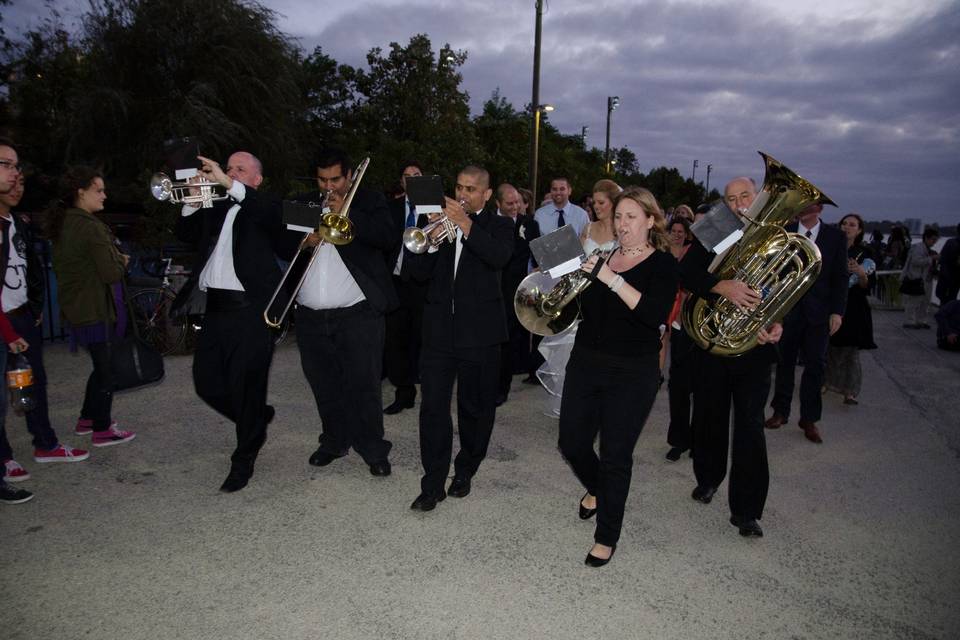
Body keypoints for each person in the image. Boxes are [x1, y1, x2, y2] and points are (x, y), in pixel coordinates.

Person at [558, 186, 678, 566]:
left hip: (633, 370)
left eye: (631, 217)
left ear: (650, 221)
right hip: (586, 361)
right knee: (571, 442)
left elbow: (652, 315)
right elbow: (580, 310)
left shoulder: (663, 265)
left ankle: (606, 535)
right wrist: (565, 280)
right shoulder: (603, 256)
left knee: (616, 455)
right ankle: (597, 488)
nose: (623, 225)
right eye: (619, 217)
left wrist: (610, 278)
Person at [405, 165, 513, 512]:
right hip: (439, 330)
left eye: (470, 189)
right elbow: (414, 274)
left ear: (486, 193)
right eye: (459, 187)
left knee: (475, 408)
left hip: (479, 332)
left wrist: (465, 226)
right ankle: (432, 483)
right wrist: (431, 242)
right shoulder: (438, 224)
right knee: (433, 407)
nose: (463, 195)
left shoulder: (500, 225)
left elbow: (498, 258)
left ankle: (466, 468)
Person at [681, 176, 784, 538]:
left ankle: (747, 511)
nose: (739, 203)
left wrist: (776, 323)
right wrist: (721, 285)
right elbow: (686, 272)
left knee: (750, 427)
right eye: (731, 198)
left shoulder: (777, 233)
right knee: (709, 414)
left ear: (759, 197)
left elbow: (792, 287)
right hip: (712, 342)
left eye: (745, 196)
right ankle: (708, 478)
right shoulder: (717, 225)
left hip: (754, 348)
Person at [174, 151, 282, 492]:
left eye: (240, 169)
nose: (230, 172)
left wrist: (226, 182)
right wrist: (192, 200)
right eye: (229, 167)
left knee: (246, 385)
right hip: (216, 309)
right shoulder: (216, 208)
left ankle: (243, 458)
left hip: (250, 310)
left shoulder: (266, 206)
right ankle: (255, 421)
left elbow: (268, 214)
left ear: (256, 179)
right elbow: (186, 235)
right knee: (206, 382)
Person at [292, 149, 397, 476]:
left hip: (357, 311)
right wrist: (302, 241)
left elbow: (387, 237)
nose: (328, 186)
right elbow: (283, 246)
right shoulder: (306, 202)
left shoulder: (370, 199)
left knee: (364, 383)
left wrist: (351, 217)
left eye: (335, 179)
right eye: (322, 180)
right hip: (309, 313)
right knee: (323, 382)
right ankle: (334, 441)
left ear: (349, 175)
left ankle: (373, 448)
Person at [0, 148, 88, 484]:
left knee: (33, 382)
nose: (17, 181)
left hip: (23, 317)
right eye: (8, 170)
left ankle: (45, 443)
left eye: (19, 173)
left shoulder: (18, 225)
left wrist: (35, 310)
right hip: (3, 321)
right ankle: (4, 457)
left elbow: (31, 271)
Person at [48, 167, 136, 449]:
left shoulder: (66, 224)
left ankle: (87, 418)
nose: (104, 196)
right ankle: (102, 428)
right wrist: (122, 261)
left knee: (100, 366)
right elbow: (110, 273)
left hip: (78, 307)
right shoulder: (89, 226)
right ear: (80, 192)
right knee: (106, 369)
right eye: (98, 190)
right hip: (94, 308)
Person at [765, 203, 848, 444]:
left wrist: (837, 312)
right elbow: (774, 271)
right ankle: (780, 411)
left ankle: (809, 419)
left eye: (811, 205)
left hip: (819, 314)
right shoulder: (785, 231)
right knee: (784, 363)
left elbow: (840, 277)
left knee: (816, 365)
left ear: (820, 208)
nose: (804, 208)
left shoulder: (836, 237)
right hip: (788, 311)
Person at [537, 179, 620, 418]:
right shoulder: (589, 228)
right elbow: (574, 263)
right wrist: (547, 266)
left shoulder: (622, 232)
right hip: (582, 300)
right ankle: (577, 409)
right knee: (574, 359)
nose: (596, 207)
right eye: (594, 203)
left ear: (614, 203)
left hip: (610, 300)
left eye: (601, 202)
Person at [383, 161, 427, 415]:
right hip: (396, 282)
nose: (411, 179)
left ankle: (425, 384)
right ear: (401, 181)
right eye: (406, 175)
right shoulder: (390, 208)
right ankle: (404, 392)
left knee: (421, 338)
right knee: (396, 339)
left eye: (416, 175)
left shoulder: (435, 210)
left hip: (422, 285)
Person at [824, 214, 877, 404]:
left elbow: (867, 286)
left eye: (852, 225)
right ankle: (826, 382)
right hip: (831, 302)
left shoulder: (865, 252)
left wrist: (861, 273)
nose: (847, 227)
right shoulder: (831, 247)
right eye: (844, 223)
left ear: (860, 230)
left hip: (853, 307)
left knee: (851, 352)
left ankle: (850, 391)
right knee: (828, 348)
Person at [496, 183, 540, 406]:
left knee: (507, 342)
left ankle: (501, 388)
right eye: (509, 203)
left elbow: (540, 255)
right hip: (489, 290)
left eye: (517, 203)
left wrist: (540, 269)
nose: (515, 207)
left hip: (514, 293)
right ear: (497, 203)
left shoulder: (530, 224)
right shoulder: (488, 222)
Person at [665, 217, 695, 461]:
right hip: (678, 323)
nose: (677, 234)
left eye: (681, 231)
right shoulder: (666, 253)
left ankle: (699, 439)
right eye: (673, 231)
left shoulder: (699, 252)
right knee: (678, 385)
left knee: (704, 388)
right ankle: (679, 439)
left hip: (702, 325)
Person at [901, 228, 940, 329]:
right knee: (914, 301)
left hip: (926, 279)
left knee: (925, 301)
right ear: (926, 238)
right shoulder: (918, 248)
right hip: (916, 279)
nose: (934, 242)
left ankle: (920, 320)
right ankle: (909, 321)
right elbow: (915, 261)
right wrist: (931, 259)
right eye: (933, 239)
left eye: (936, 240)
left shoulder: (926, 249)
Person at [935, 224, 959, 304]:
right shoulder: (952, 243)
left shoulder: (950, 242)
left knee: (943, 299)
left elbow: (941, 259)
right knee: (951, 298)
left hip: (945, 277)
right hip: (955, 279)